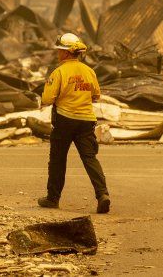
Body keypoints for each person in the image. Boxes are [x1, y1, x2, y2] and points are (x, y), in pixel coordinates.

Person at [38, 32, 110, 214]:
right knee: (89, 158)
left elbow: (47, 98)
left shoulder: (59, 72)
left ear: (66, 53)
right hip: (86, 121)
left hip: (64, 121)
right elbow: (95, 96)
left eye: (59, 51)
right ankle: (102, 195)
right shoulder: (89, 71)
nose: (57, 54)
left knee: (57, 160)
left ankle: (53, 199)